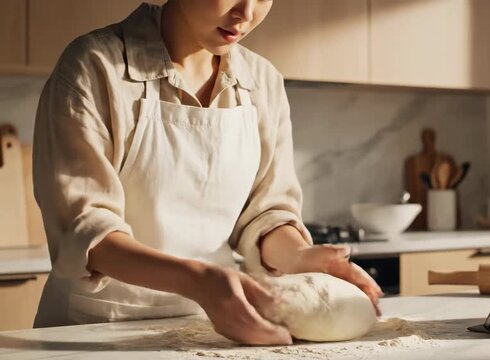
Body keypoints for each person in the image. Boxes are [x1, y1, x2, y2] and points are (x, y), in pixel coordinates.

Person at [32, 0, 382, 345]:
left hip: (213, 329)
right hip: (95, 329)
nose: (246, 13)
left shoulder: (262, 82)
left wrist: (298, 257)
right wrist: (198, 280)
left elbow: (267, 212)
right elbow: (87, 233)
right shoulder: (96, 67)